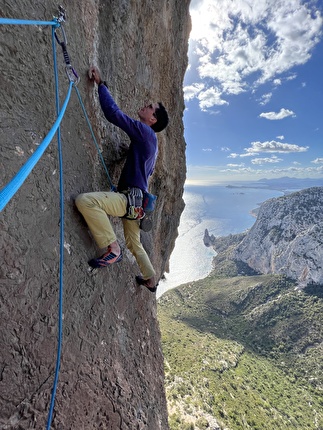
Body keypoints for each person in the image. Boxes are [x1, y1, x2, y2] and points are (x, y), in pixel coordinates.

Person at [75, 66, 169, 293]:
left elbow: (113, 114)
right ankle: (150, 279)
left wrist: (101, 84)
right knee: (134, 243)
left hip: (128, 200)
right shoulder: (152, 145)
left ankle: (112, 248)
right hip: (136, 204)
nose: (145, 106)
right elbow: (144, 170)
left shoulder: (145, 133)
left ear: (153, 119)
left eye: (149, 107)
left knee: (86, 201)